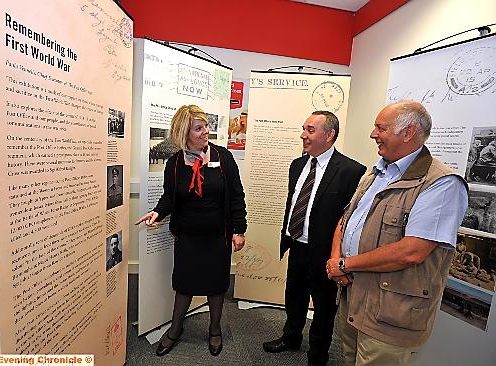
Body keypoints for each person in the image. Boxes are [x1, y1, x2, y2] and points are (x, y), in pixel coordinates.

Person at [326, 101, 468, 366]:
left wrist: (344, 264)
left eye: (381, 128)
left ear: (408, 132)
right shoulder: (376, 173)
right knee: (348, 358)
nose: (373, 134)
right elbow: (346, 220)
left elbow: (411, 252)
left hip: (391, 312)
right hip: (355, 297)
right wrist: (338, 263)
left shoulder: (442, 184)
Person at [135, 104, 246, 357]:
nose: (206, 131)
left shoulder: (223, 157)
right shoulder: (175, 164)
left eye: (206, 126)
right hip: (188, 237)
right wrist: (158, 213)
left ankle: (215, 329)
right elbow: (170, 198)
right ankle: (175, 329)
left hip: (218, 236)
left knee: (216, 286)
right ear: (185, 133)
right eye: (199, 128)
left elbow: (237, 196)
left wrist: (239, 230)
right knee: (184, 284)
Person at [262, 111, 365, 366]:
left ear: (329, 135)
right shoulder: (297, 165)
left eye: (310, 130)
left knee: (323, 307)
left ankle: (317, 355)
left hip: (325, 253)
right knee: (293, 296)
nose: (303, 135)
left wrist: (339, 255)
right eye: (304, 129)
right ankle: (291, 337)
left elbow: (349, 218)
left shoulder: (351, 171)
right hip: (297, 244)